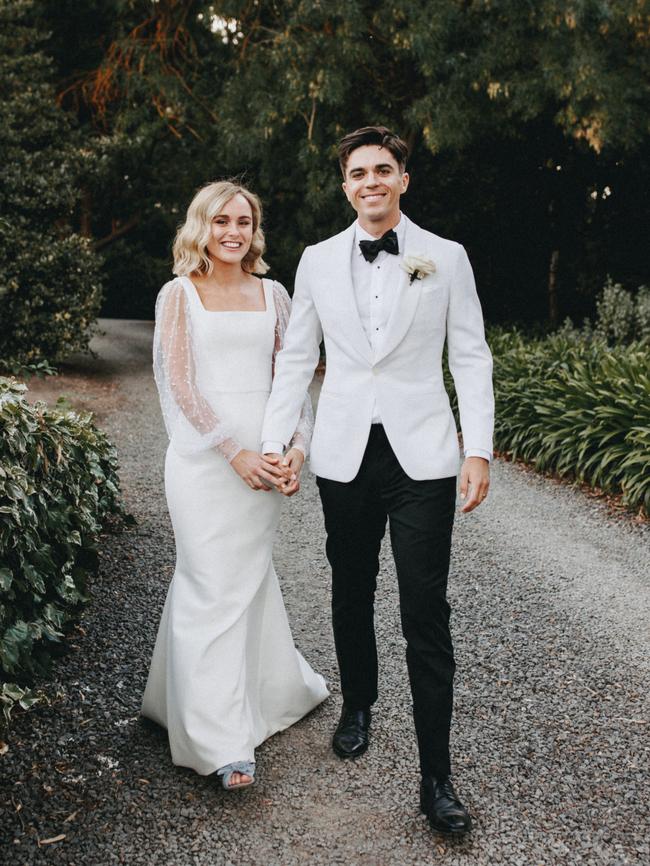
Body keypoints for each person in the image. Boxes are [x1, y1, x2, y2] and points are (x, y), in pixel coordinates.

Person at [261, 126, 494, 834]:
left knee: (425, 607)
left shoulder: (444, 258)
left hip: (423, 454)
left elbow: (472, 356)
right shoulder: (317, 260)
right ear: (345, 185)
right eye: (358, 172)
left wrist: (477, 449)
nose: (371, 182)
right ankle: (359, 700)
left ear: (403, 180)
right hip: (343, 453)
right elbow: (297, 358)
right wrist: (277, 442)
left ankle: (436, 779)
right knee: (350, 584)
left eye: (383, 170)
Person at [141, 180, 328, 790]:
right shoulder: (179, 295)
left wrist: (295, 448)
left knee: (242, 577)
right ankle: (218, 741)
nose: (233, 232)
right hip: (205, 460)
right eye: (221, 221)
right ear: (201, 226)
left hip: (267, 456)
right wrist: (233, 452)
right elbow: (180, 387)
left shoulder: (274, 294)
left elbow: (292, 379)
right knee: (208, 580)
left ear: (255, 230)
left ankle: (188, 699)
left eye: (244, 222)